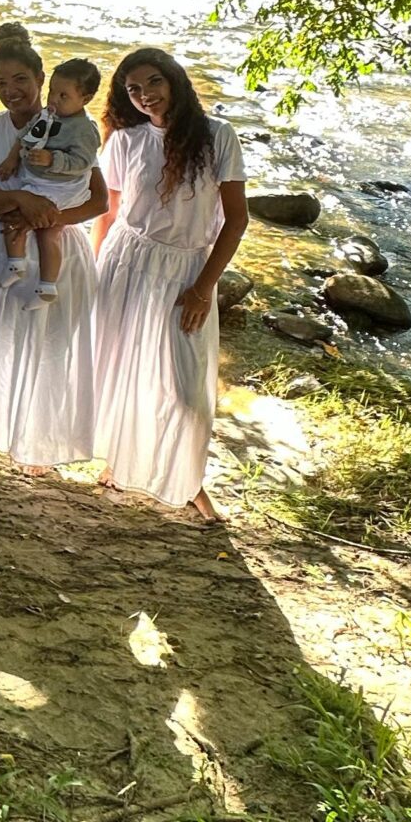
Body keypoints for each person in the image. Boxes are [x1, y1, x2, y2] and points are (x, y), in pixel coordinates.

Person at [0, 23, 104, 473]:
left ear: (41, 80)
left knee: (51, 343)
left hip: (58, 244)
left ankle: (40, 443)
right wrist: (21, 201)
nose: (10, 90)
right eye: (0, 83)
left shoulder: (74, 128)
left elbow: (99, 199)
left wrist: (47, 218)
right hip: (2, 242)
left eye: (20, 81)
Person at [95, 46, 249, 519]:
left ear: (175, 80)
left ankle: (189, 480)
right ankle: (118, 460)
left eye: (152, 83)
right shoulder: (125, 139)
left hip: (185, 270)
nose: (145, 96)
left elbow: (236, 220)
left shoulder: (218, 137)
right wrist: (96, 269)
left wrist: (205, 287)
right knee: (116, 364)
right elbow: (109, 209)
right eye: (133, 89)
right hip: (126, 259)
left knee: (186, 386)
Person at [0, 56, 103, 310]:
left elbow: (82, 161)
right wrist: (12, 159)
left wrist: (52, 159)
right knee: (12, 216)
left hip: (62, 188)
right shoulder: (47, 116)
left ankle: (47, 286)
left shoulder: (84, 130)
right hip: (36, 181)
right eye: (52, 92)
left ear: (85, 99)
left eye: (63, 96)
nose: (53, 99)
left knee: (49, 231)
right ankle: (16, 263)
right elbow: (24, 137)